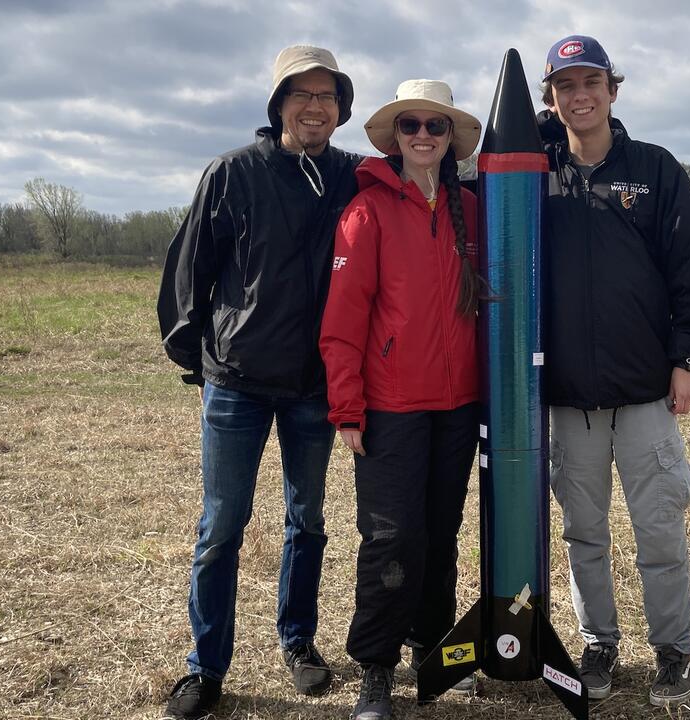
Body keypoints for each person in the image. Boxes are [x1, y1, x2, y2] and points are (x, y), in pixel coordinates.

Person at [156, 45, 362, 720]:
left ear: (341, 109)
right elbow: (190, 268)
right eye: (301, 94)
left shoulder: (353, 177)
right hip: (237, 384)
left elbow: (433, 172)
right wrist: (198, 356)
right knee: (222, 526)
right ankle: (206, 667)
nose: (314, 107)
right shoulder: (232, 174)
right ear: (278, 104)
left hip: (314, 385)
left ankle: (298, 641)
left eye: (327, 97)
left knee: (308, 520)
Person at [536, 35, 690, 707]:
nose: (579, 96)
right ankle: (599, 644)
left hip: (646, 391)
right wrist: (533, 133)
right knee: (582, 530)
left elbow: (689, 271)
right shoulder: (540, 173)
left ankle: (673, 650)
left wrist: (688, 360)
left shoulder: (654, 169)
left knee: (658, 528)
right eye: (564, 87)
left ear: (613, 90)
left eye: (590, 82)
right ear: (551, 99)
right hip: (569, 399)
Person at [319, 79, 485, 720]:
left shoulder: (472, 208)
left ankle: (433, 648)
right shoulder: (367, 212)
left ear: (450, 139)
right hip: (391, 406)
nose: (422, 135)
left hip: (459, 404)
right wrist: (347, 408)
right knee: (391, 539)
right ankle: (376, 669)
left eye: (434, 126)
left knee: (441, 535)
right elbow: (343, 319)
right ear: (395, 138)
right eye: (410, 125)